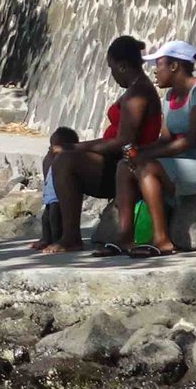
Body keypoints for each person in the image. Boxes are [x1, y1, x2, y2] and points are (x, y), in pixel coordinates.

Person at [34, 35, 163, 255]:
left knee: (66, 160)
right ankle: (53, 227)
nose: (112, 74)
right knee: (56, 155)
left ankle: (71, 237)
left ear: (122, 66)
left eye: (112, 68)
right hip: (117, 161)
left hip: (126, 166)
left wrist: (75, 148)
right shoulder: (135, 89)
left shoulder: (138, 94)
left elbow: (123, 142)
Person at [112, 41, 196, 259]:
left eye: (158, 64)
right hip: (184, 165)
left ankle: (162, 241)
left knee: (147, 167)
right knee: (125, 166)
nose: (154, 70)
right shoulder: (170, 98)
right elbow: (165, 139)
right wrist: (136, 151)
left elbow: (192, 141)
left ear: (174, 66)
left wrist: (145, 155)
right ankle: (125, 238)